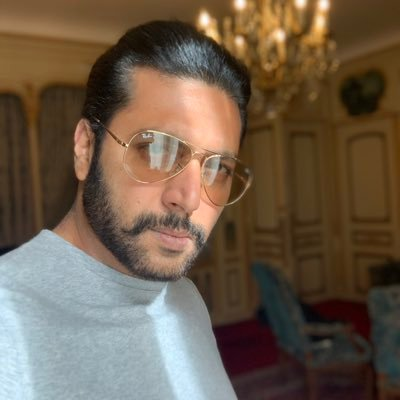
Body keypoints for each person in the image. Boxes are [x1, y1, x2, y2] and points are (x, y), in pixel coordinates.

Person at [0, 20, 252, 399]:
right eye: (156, 149)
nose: (190, 199)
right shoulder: (8, 322)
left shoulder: (185, 297)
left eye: (218, 168)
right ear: (86, 148)